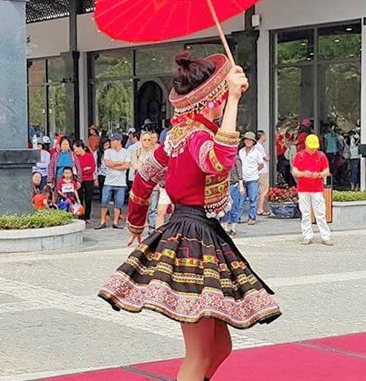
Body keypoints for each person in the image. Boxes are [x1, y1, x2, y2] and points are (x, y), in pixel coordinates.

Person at [99, 51, 280, 381]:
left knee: (220, 346)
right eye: (224, 97)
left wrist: (137, 222)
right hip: (192, 239)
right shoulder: (196, 136)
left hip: (202, 234)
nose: (226, 101)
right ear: (212, 101)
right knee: (199, 353)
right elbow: (219, 161)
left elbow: (143, 179)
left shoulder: (177, 138)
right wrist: (236, 101)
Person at [292, 134, 333, 246]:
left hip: (317, 189)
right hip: (303, 189)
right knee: (305, 213)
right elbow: (294, 171)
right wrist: (303, 174)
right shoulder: (299, 156)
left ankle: (326, 236)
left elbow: (327, 171)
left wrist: (319, 174)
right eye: (311, 147)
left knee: (320, 213)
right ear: (306, 145)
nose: (312, 149)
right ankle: (307, 235)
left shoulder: (321, 156)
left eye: (314, 147)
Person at [97, 134, 130, 230]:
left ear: (119, 141)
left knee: (119, 203)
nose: (111, 142)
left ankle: (115, 222)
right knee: (104, 201)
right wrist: (120, 163)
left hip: (121, 182)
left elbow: (127, 165)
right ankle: (103, 221)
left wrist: (114, 165)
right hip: (108, 181)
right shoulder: (107, 152)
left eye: (113, 140)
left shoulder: (126, 152)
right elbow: (107, 163)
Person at [238, 132, 264, 226]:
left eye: (250, 140)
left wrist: (254, 171)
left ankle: (252, 217)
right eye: (246, 140)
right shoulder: (241, 151)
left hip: (253, 179)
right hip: (242, 179)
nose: (248, 142)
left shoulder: (257, 152)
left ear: (253, 142)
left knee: (253, 199)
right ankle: (238, 217)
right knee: (241, 199)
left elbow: (261, 164)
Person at [72, 140, 96, 222]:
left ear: (80, 147)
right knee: (80, 198)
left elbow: (92, 168)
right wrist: (84, 169)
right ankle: (81, 216)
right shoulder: (75, 157)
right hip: (79, 180)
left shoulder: (89, 156)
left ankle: (87, 217)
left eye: (75, 148)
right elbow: (77, 170)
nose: (74, 150)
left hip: (89, 180)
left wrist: (83, 170)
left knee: (88, 199)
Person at [221, 154, 244, 236]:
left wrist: (241, 186)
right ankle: (224, 227)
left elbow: (240, 173)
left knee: (234, 207)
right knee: (225, 207)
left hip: (233, 185)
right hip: (223, 185)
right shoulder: (222, 157)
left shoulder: (236, 159)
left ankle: (233, 228)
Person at [255, 130, 271, 216]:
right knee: (264, 190)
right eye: (264, 135)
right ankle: (260, 209)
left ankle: (262, 208)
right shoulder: (259, 146)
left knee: (261, 190)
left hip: (260, 172)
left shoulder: (257, 146)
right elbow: (266, 158)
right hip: (262, 172)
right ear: (261, 136)